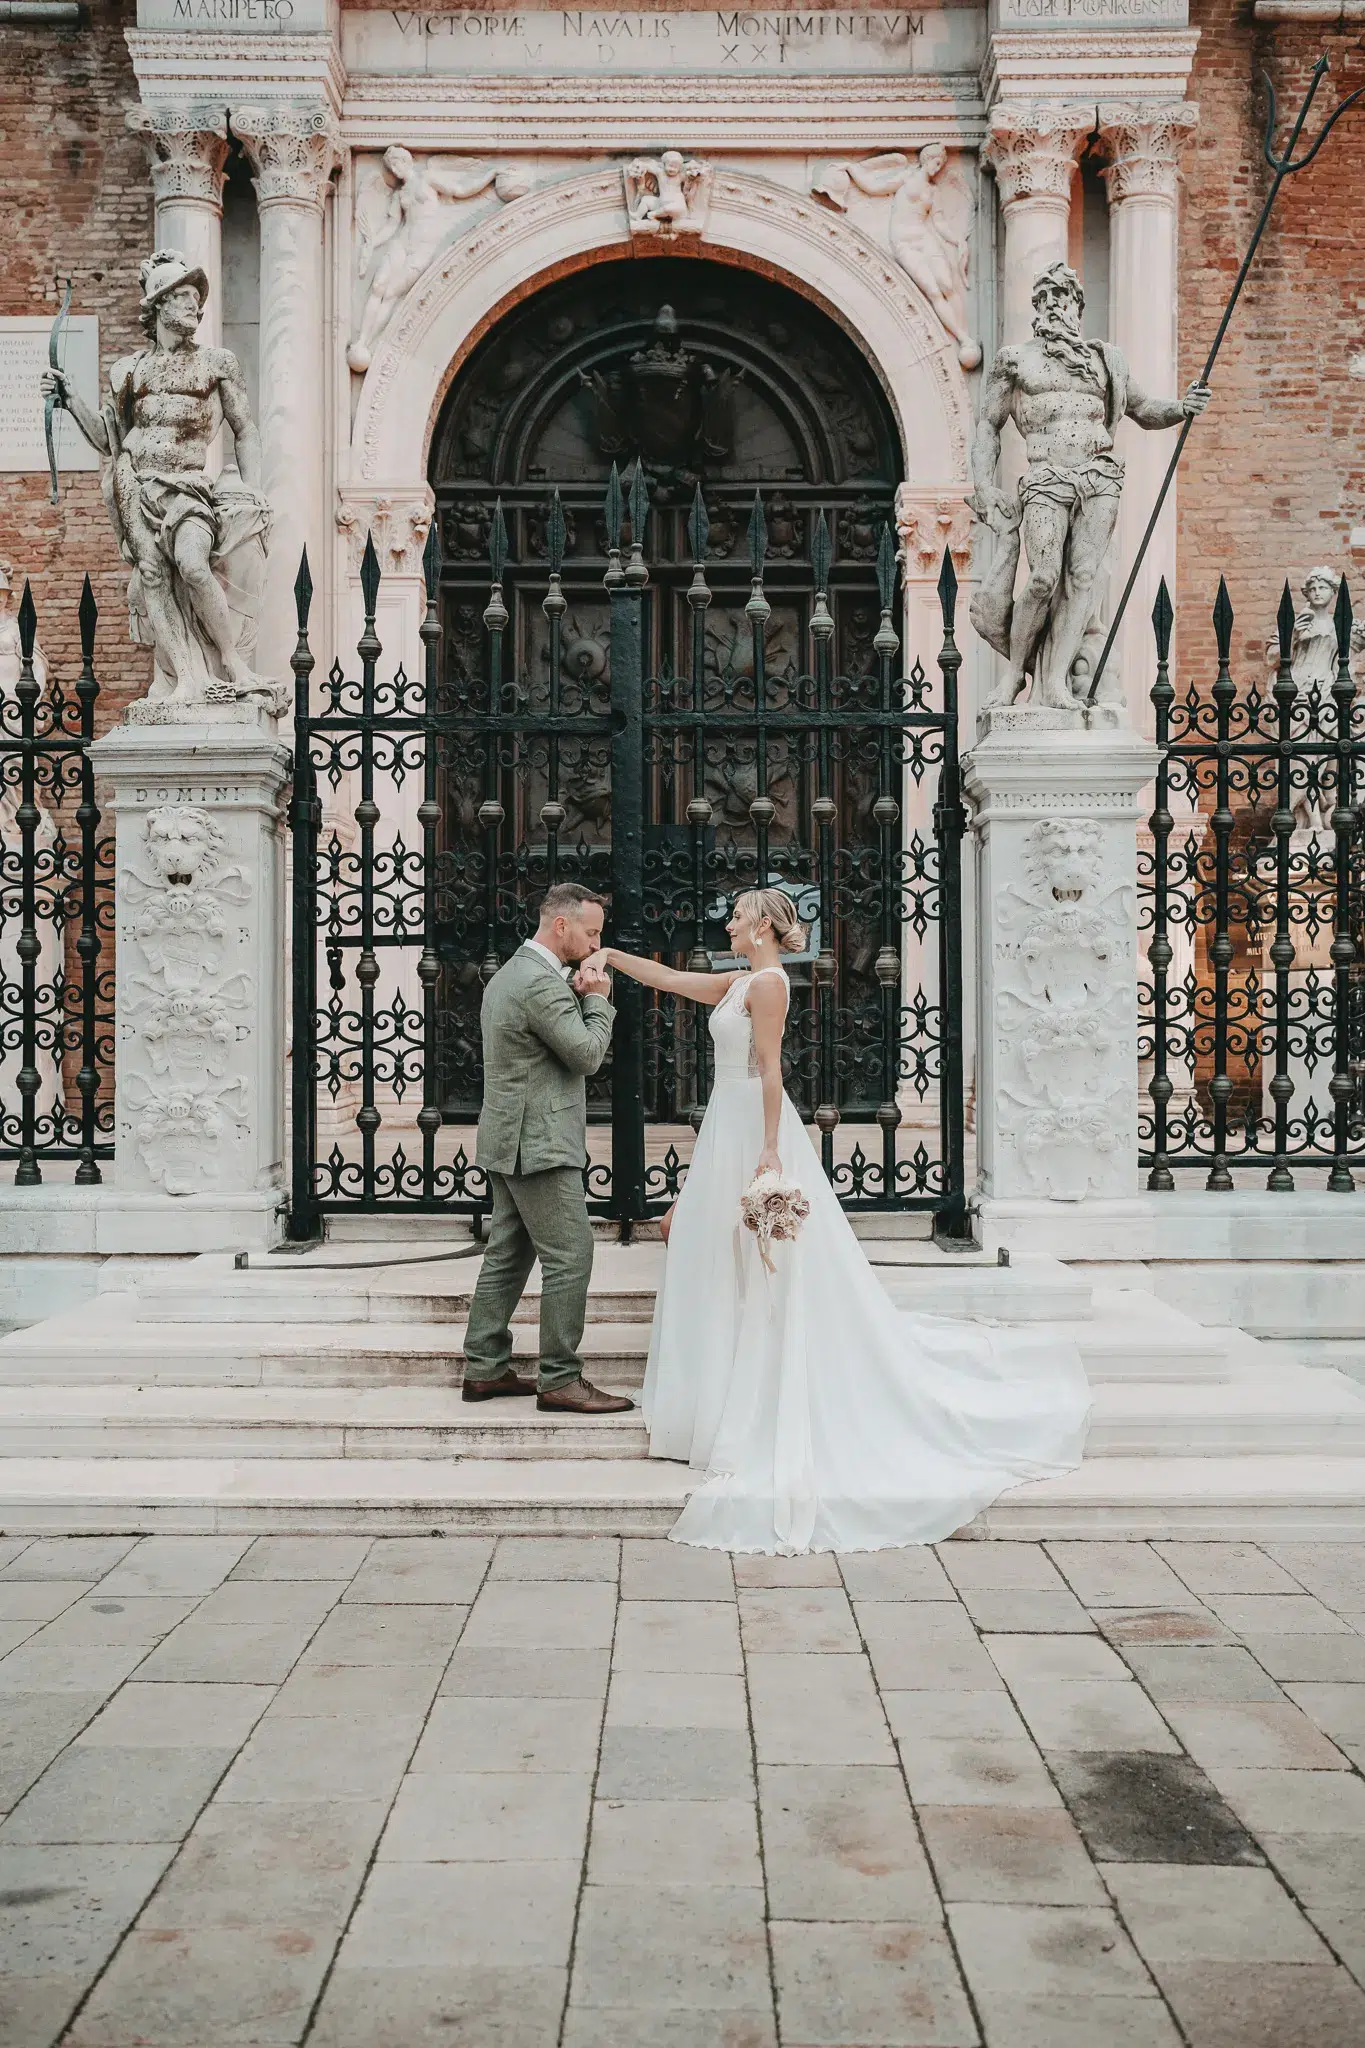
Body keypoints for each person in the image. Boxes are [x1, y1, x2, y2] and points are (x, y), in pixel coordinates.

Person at [582, 888, 1090, 1554]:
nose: (726, 921)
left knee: (761, 1260)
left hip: (750, 1128)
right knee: (711, 1248)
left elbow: (770, 1069)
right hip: (724, 1127)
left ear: (761, 923)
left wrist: (767, 1149)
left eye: (735, 914)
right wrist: (614, 955)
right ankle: (718, 1387)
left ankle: (752, 1389)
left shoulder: (767, 985)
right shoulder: (737, 982)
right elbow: (674, 980)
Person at [969, 261, 1211, 714]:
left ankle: (1058, 679)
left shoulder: (1106, 360)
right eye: (1045, 298)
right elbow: (988, 425)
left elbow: (1143, 409)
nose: (1054, 306)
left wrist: (1183, 406)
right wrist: (983, 486)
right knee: (1042, 579)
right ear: (1036, 307)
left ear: (1078, 306)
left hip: (1099, 477)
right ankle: (1014, 673)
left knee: (1084, 580)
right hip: (1045, 476)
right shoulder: (1015, 360)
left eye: (1063, 297)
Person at [462, 882, 634, 1415]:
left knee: (508, 1255)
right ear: (561, 925)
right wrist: (599, 1003)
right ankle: (559, 1378)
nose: (595, 942)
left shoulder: (512, 972)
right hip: (538, 1143)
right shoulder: (541, 984)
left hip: (509, 1138)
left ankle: (484, 1368)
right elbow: (585, 1055)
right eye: (591, 931)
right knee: (570, 1257)